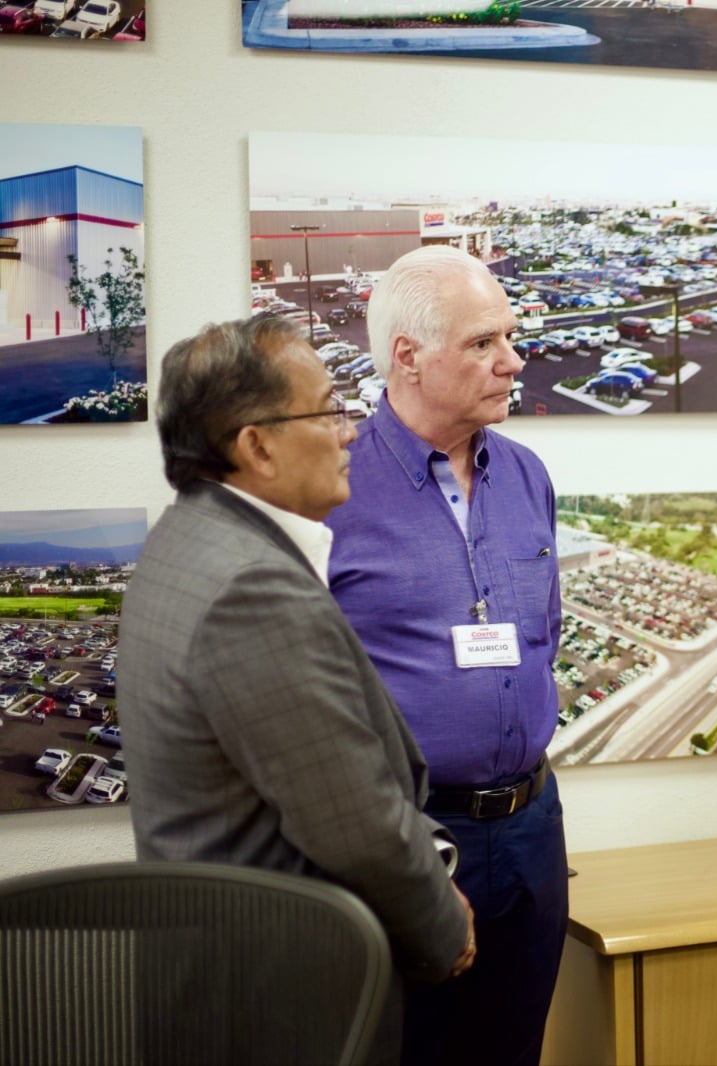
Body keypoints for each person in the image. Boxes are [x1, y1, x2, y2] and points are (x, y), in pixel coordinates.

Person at [118, 317, 476, 1052]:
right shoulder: (252, 588)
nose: (350, 432)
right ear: (257, 445)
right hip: (282, 998)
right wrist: (442, 924)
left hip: (224, 973)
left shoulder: (187, 540)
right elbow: (353, 824)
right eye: (329, 410)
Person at [326, 245, 566, 1066]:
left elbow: (544, 638)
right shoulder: (335, 488)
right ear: (407, 356)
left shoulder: (526, 475)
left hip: (532, 828)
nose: (513, 359)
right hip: (410, 836)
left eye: (510, 336)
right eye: (482, 343)